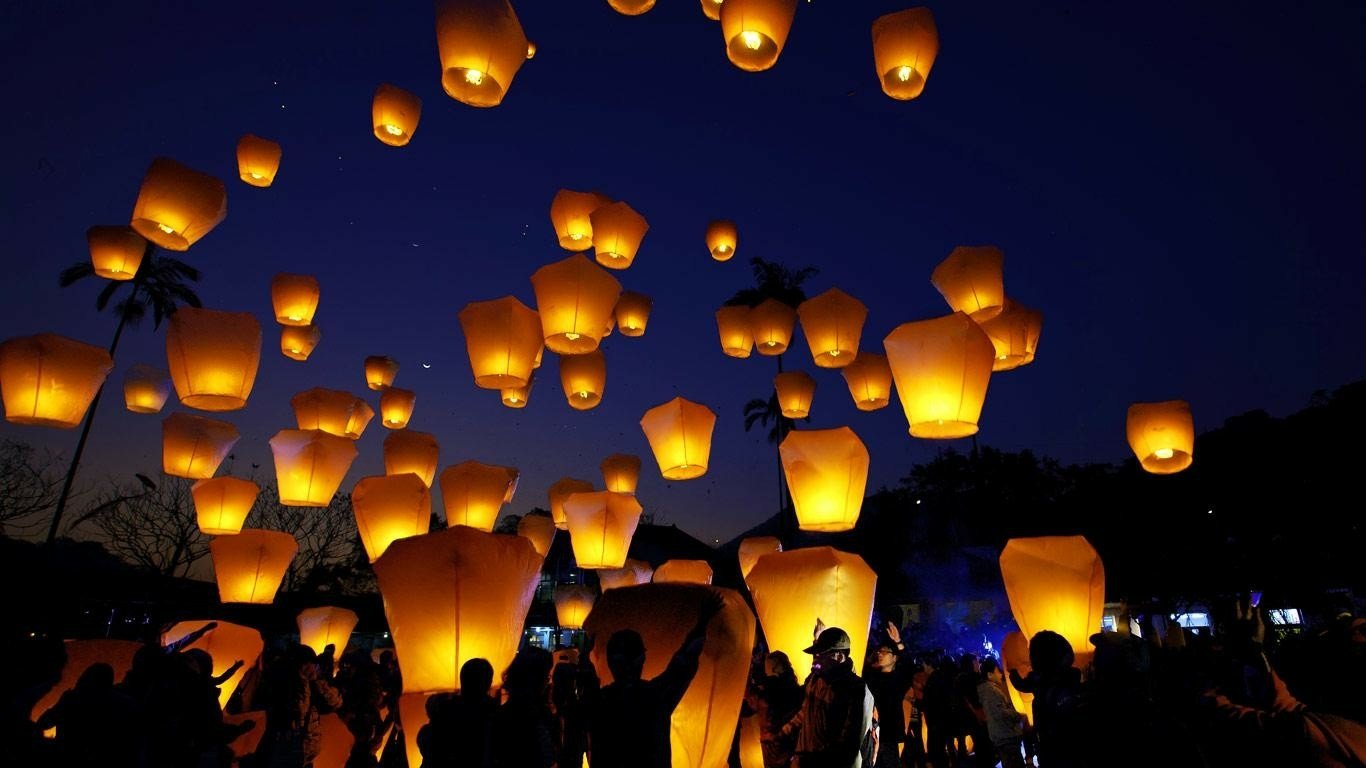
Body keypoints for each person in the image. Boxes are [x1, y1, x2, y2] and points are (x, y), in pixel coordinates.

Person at [587, 592, 726, 768]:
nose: (629, 667)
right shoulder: (654, 696)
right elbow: (683, 663)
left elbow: (682, 664)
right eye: (625, 661)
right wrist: (702, 623)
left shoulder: (599, 702)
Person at [770, 626, 876, 768]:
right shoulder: (816, 679)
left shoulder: (857, 690)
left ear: (839, 657)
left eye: (821, 654)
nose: (816, 659)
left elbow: (849, 743)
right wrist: (784, 732)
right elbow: (805, 711)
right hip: (804, 761)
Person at [417, 658, 495, 768]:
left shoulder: (444, 710)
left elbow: (427, 743)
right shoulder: (494, 716)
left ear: (462, 680)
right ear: (488, 683)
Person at [863, 623, 916, 768]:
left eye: (885, 652)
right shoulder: (872, 677)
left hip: (888, 733)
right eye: (879, 651)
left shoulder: (898, 679)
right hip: (871, 731)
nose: (880, 654)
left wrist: (898, 642)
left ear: (894, 658)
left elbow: (909, 666)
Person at [975, 658, 1026, 768]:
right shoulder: (991, 691)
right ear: (989, 674)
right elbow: (1001, 713)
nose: (1001, 674)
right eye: (998, 671)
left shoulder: (988, 690)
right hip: (1005, 734)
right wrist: (1018, 716)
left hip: (1001, 734)